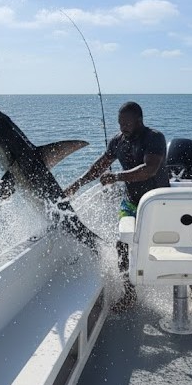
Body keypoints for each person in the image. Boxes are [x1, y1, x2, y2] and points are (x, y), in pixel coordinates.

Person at [64, 101, 170, 309]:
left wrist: (117, 176)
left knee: (172, 244)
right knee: (122, 245)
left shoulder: (154, 138)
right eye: (120, 123)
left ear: (139, 120)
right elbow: (99, 167)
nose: (123, 127)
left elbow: (150, 169)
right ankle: (129, 294)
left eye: (127, 123)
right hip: (130, 203)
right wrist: (77, 184)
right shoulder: (117, 141)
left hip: (157, 204)